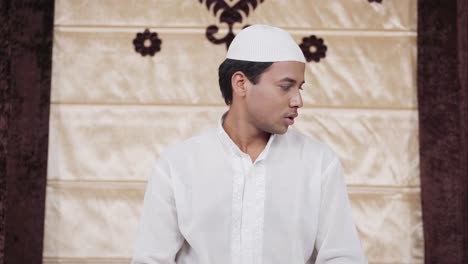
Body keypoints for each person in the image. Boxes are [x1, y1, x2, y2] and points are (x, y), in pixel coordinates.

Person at [132, 24, 367, 264]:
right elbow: (150, 259)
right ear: (241, 83)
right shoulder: (178, 165)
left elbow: (343, 257)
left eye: (300, 87)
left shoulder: (319, 163)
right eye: (286, 87)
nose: (298, 100)